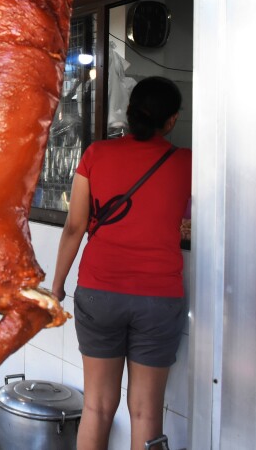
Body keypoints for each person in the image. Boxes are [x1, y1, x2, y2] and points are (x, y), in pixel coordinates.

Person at [51, 76, 191, 450]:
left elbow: (74, 227)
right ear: (172, 120)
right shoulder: (188, 163)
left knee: (96, 407)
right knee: (146, 413)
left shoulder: (97, 154)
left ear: (129, 114)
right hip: (159, 297)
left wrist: (57, 284)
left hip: (99, 292)